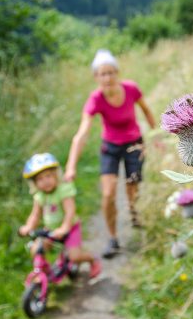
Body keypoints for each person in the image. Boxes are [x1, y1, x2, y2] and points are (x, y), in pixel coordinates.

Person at [65, 49, 156, 258]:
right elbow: (82, 133)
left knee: (132, 185)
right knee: (108, 193)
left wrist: (157, 135)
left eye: (110, 72)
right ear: (95, 77)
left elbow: (147, 111)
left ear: (117, 73)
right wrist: (71, 166)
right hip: (111, 148)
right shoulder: (95, 99)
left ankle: (134, 212)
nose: (107, 77)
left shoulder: (131, 88)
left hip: (134, 143)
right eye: (101, 74)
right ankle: (113, 238)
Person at [19, 152, 101, 278]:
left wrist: (65, 227)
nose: (45, 182)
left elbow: (70, 211)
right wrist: (28, 227)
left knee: (75, 256)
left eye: (48, 176)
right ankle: (44, 271)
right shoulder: (39, 196)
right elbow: (35, 215)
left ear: (56, 175)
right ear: (34, 183)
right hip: (51, 231)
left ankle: (92, 260)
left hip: (69, 229)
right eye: (40, 179)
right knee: (36, 250)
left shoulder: (63, 191)